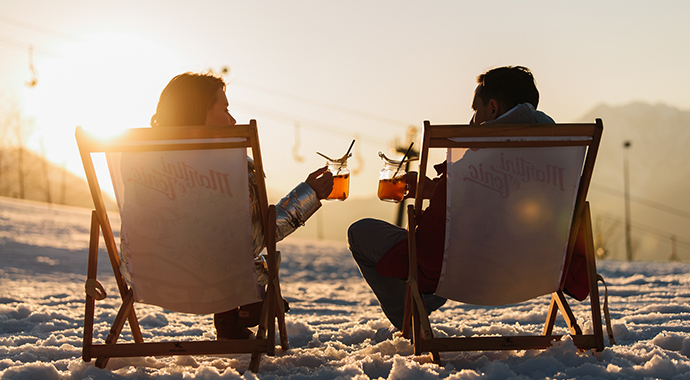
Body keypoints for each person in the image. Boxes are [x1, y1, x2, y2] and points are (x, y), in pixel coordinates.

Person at [347, 66, 555, 335]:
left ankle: (411, 317)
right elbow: (490, 201)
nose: (472, 119)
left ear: (492, 108)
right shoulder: (557, 153)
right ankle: (422, 302)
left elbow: (464, 215)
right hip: (538, 268)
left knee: (361, 232)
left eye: (475, 110)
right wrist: (431, 189)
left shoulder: (479, 149)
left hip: (459, 271)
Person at [146, 71, 334, 339]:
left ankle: (232, 318)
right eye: (225, 109)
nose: (233, 120)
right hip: (217, 277)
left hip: (150, 275)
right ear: (200, 113)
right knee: (240, 253)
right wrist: (309, 194)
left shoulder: (143, 164)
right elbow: (257, 235)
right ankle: (246, 304)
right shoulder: (230, 168)